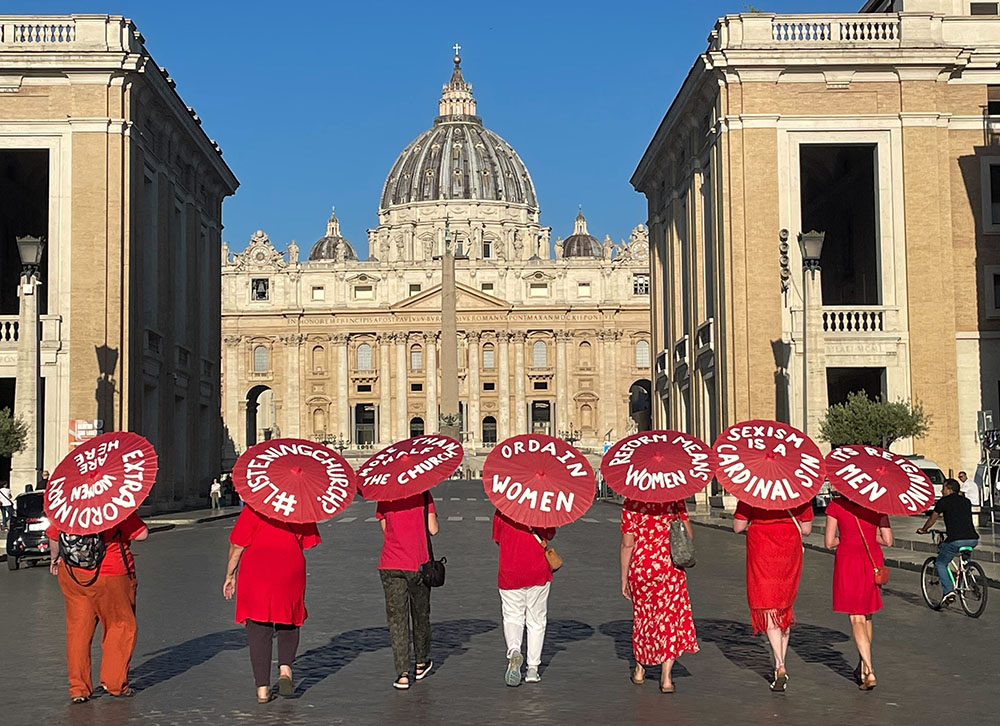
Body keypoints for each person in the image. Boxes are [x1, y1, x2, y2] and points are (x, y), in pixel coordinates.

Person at [46, 513, 148, 703]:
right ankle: (115, 683)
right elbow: (142, 534)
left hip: (72, 572)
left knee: (78, 630)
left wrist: (54, 560)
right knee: (119, 625)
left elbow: (54, 536)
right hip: (111, 572)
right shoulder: (115, 505)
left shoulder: (68, 507)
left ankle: (78, 688)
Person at [223, 506, 320, 703]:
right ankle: (285, 668)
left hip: (256, 569)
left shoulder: (255, 507)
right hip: (289, 567)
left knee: (259, 629)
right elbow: (309, 541)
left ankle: (262, 689)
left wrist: (230, 575)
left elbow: (237, 545)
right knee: (289, 620)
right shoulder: (300, 507)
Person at [732, 501, 812, 692]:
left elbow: (738, 527)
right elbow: (807, 529)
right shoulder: (798, 492)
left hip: (762, 550)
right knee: (783, 606)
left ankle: (780, 664)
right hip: (789, 550)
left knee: (767, 604)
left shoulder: (752, 492)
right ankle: (779, 664)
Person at [620, 499, 698, 694]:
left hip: (641, 566)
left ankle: (639, 669)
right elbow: (688, 534)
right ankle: (666, 678)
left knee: (643, 618)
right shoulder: (675, 500)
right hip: (669, 567)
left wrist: (624, 578)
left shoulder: (631, 503)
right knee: (668, 619)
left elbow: (627, 544)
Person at [824, 496, 892, 692]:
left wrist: (845, 537)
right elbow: (887, 540)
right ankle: (862, 666)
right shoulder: (878, 504)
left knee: (856, 618)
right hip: (872, 561)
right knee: (867, 615)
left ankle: (869, 670)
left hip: (848, 560)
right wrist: (871, 537)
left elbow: (829, 542)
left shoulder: (836, 505)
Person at [376, 491, 438, 690]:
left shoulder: (385, 495)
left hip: (390, 563)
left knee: (397, 619)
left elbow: (385, 529)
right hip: (417, 563)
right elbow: (433, 529)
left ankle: (402, 673)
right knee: (420, 614)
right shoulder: (423, 495)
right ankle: (421, 662)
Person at [492, 510, 555, 687]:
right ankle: (533, 669)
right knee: (537, 621)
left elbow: (498, 538)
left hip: (510, 570)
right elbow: (549, 533)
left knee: (513, 617)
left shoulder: (503, 509)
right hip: (538, 571)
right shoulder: (543, 507)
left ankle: (514, 651)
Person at [917, 478, 980, 605]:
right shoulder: (966, 501)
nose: (942, 490)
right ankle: (966, 573)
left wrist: (924, 529)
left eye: (943, 488)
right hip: (973, 538)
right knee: (964, 558)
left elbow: (933, 518)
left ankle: (948, 591)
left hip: (955, 540)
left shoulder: (943, 502)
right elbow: (960, 518)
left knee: (940, 563)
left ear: (949, 489)